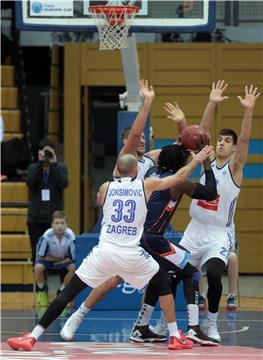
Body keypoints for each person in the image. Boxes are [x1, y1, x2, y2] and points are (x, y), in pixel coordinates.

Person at [7, 148, 212, 352]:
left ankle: (33, 336)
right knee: (162, 283)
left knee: (68, 292)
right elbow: (177, 178)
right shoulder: (146, 186)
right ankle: (175, 335)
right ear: (135, 170)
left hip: (104, 252)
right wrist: (197, 161)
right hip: (131, 252)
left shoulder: (106, 187)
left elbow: (99, 201)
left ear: (119, 170)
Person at [60, 105, 217, 346]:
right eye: (138, 138)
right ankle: (191, 328)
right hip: (137, 234)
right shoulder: (144, 167)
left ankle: (141, 327)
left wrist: (183, 124)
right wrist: (203, 158)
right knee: (183, 274)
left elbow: (181, 150)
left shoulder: (151, 164)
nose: (141, 140)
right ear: (128, 144)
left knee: (159, 277)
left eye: (145, 137)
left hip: (139, 232)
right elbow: (197, 175)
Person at [178, 83, 261, 342]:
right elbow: (200, 134)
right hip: (194, 230)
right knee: (178, 277)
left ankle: (211, 325)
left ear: (234, 148)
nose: (221, 143)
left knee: (214, 274)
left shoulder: (235, 169)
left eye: (227, 141)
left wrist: (248, 111)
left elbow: (245, 139)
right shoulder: (207, 164)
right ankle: (174, 324)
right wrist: (212, 103)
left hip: (217, 234)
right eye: (220, 140)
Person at [26, 139, 69, 264]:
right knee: (37, 253)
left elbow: (64, 183)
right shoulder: (33, 167)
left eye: (49, 151)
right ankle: (39, 282)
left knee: (55, 253)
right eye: (44, 151)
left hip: (54, 218)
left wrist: (54, 164)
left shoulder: (60, 167)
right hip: (35, 217)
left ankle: (53, 281)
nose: (46, 155)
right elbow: (30, 182)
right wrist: (40, 164)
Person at [34, 210, 76, 307]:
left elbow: (72, 257)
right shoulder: (47, 235)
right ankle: (42, 290)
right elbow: (41, 256)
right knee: (38, 268)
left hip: (64, 261)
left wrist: (60, 261)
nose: (59, 226)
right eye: (57, 223)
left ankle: (61, 292)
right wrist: (57, 260)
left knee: (73, 267)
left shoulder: (70, 236)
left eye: (62, 223)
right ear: (52, 225)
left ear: (66, 224)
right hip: (48, 260)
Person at [198, 224, 239, 312]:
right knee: (198, 259)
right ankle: (201, 296)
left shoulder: (229, 222)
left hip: (222, 251)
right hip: (206, 251)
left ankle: (231, 296)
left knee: (233, 257)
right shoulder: (204, 221)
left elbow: (231, 247)